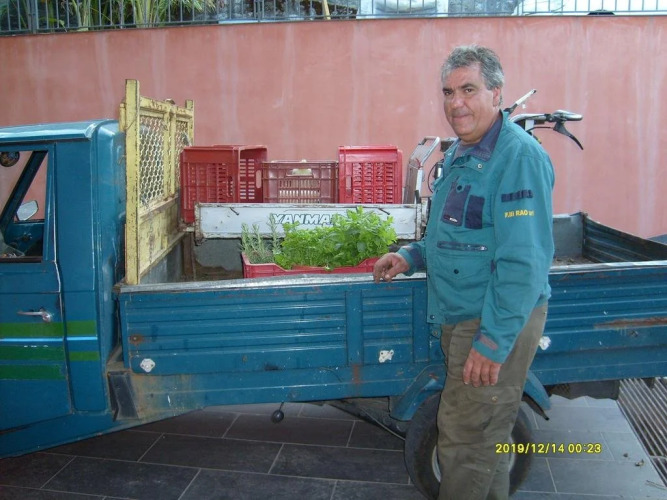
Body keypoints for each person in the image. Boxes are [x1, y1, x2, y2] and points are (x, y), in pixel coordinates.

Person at [373, 45, 555, 500]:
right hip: (465, 314)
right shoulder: (461, 152)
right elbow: (457, 233)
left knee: (464, 441)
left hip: (493, 316)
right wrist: (412, 256)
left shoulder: (518, 158)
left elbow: (523, 263)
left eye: (468, 90)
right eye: (448, 92)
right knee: (482, 442)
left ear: (497, 93)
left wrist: (492, 342)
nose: (456, 103)